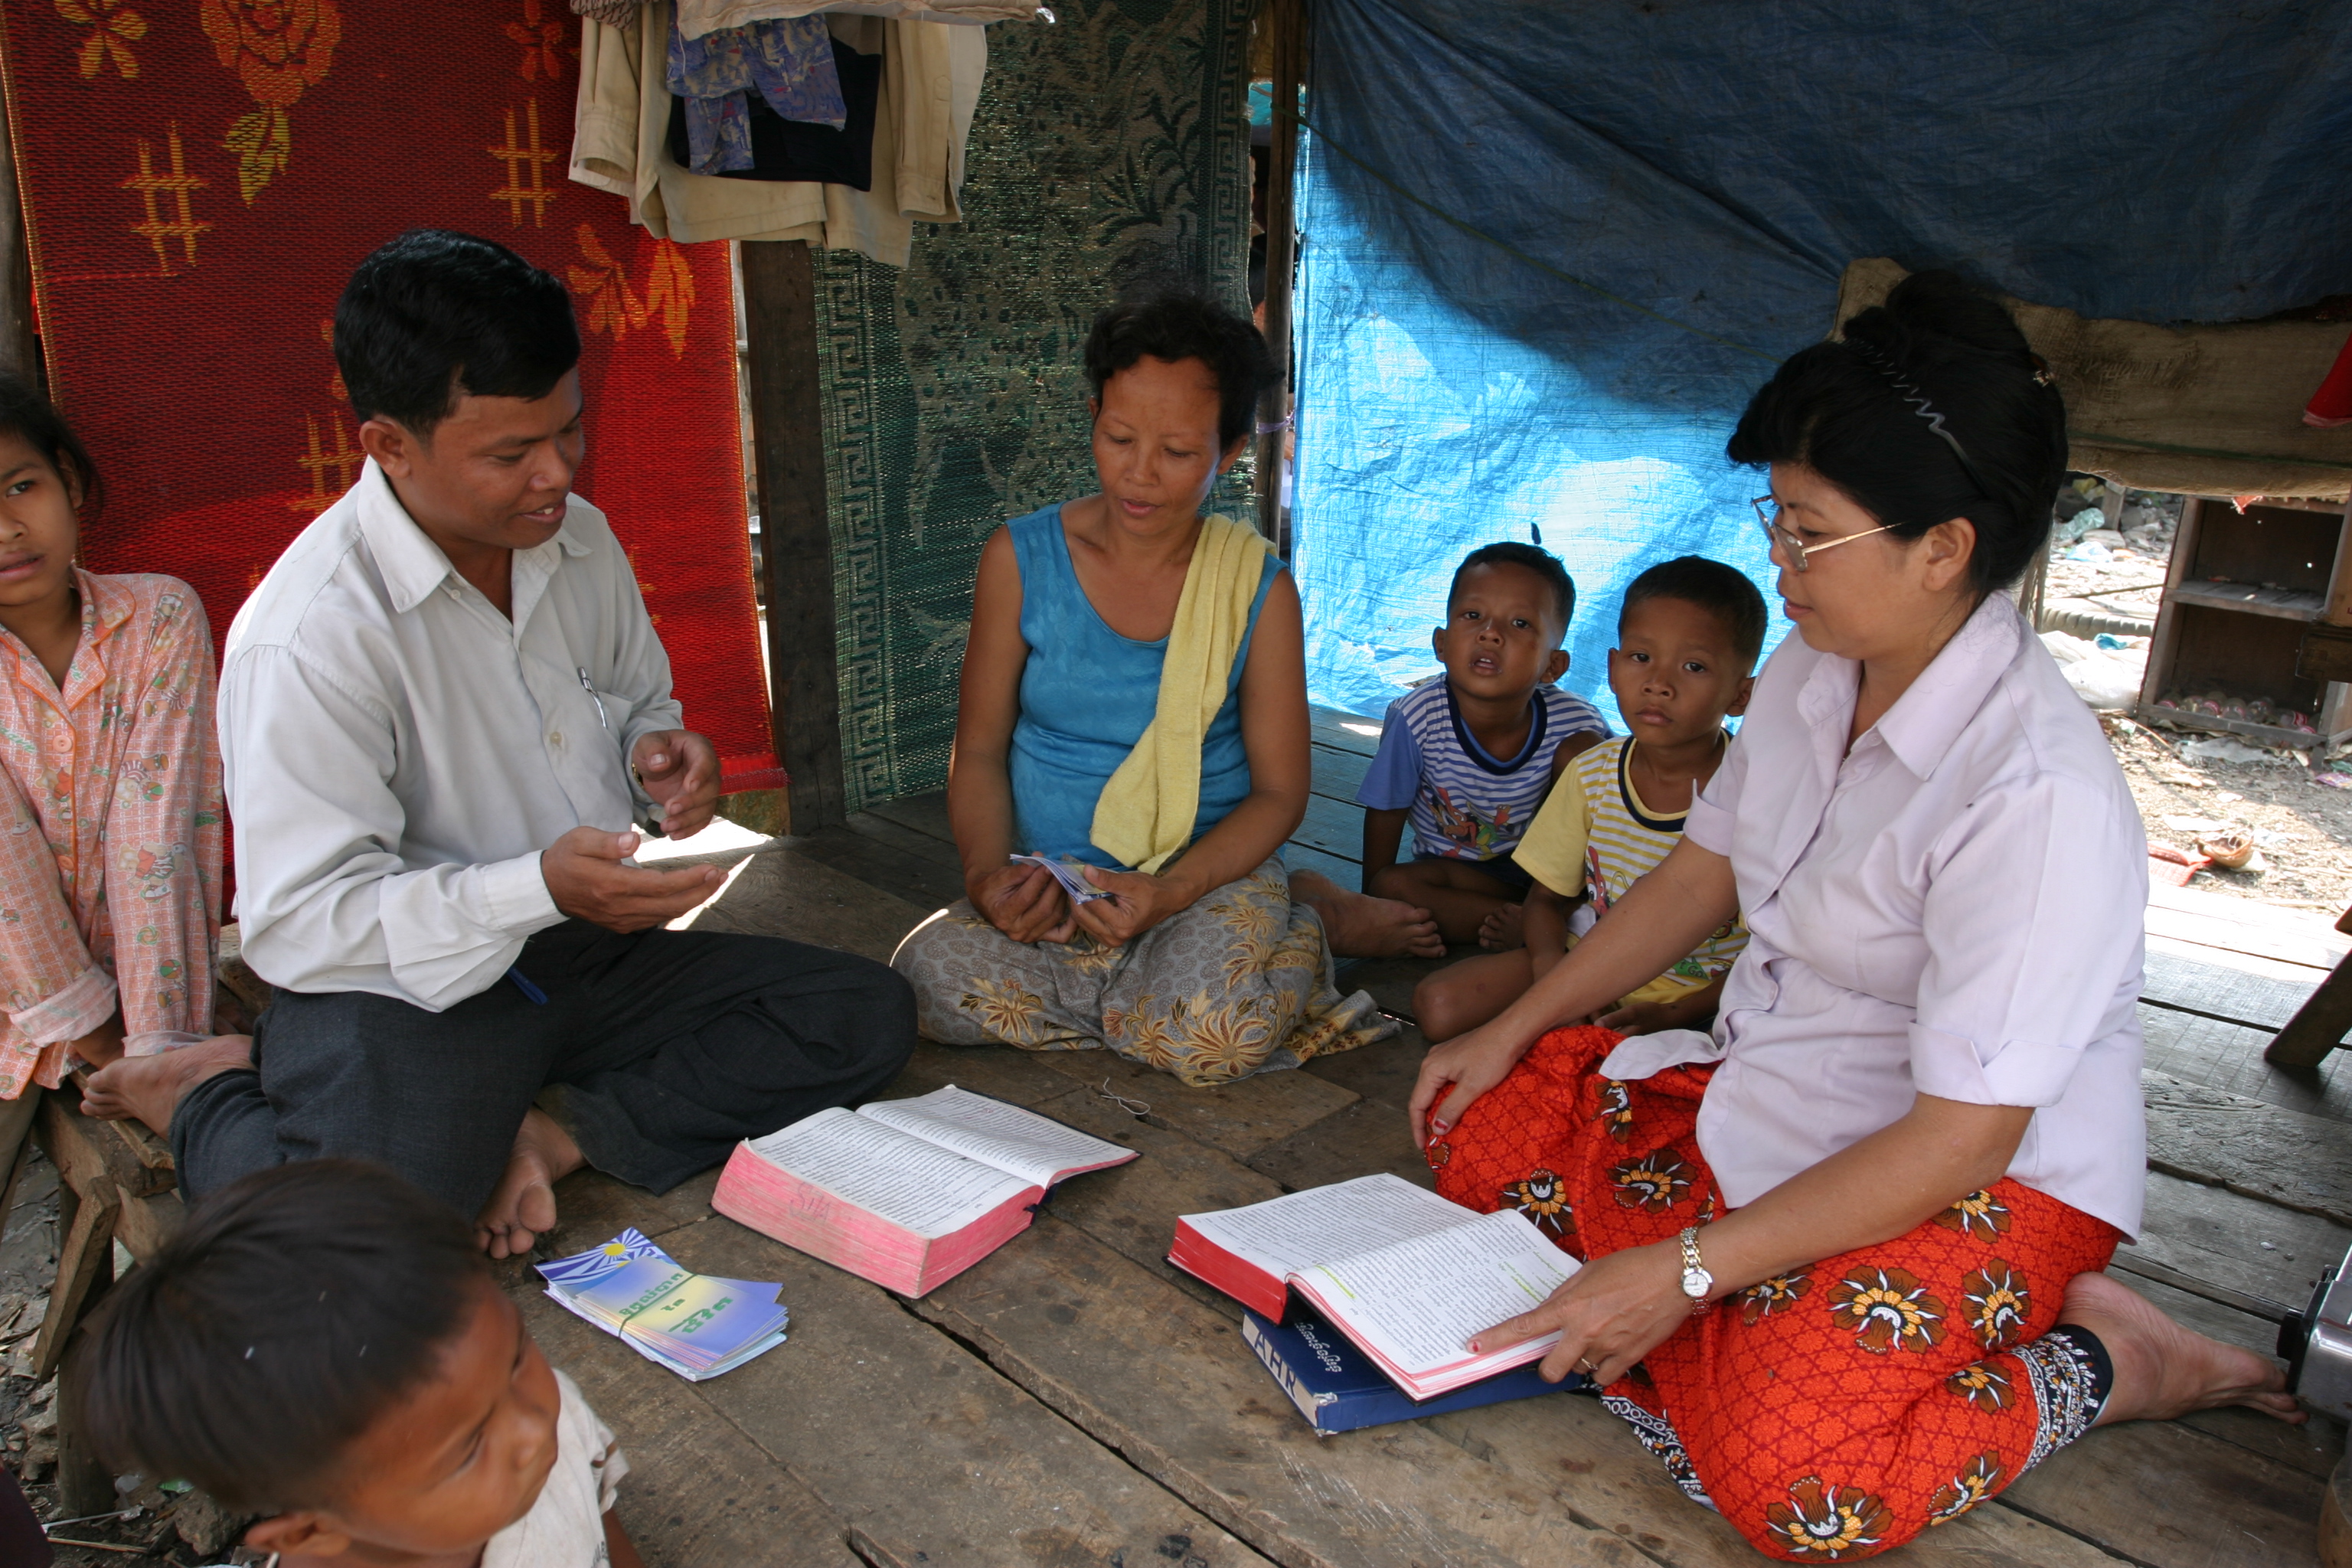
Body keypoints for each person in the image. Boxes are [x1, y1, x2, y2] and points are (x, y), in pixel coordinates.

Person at [1409, 271, 2298, 1563]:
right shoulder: (1808, 673)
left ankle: (2110, 1352)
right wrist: (1519, 1026)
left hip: (1975, 1177)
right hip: (1771, 1094)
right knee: (1466, 1114)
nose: (1777, 559)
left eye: (1808, 532)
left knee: (1793, 1476)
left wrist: (1685, 1270)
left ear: (1940, 547)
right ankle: (1720, 1328)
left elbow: (1956, 1141)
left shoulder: (2030, 793)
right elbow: (1694, 878)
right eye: (1776, 516)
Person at [87, 230, 913, 1257]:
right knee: (365, 1241)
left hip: (574, 958)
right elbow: (300, 928)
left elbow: (634, 697)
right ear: (391, 445)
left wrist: (660, 755)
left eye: (566, 432)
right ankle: (204, 1091)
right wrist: (536, 889)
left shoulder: (580, 542)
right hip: (399, 993)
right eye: (509, 453)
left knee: (861, 1012)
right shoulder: (310, 640)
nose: (554, 474)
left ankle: (554, 1132)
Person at [891, 287, 1423, 1086]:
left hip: (1203, 879)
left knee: (1211, 1034)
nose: (1139, 474)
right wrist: (986, 879)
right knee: (921, 982)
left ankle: (1300, 922)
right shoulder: (1019, 559)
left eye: (1177, 452)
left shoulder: (1256, 588)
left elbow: (1280, 794)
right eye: (1118, 436)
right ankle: (1144, 1000)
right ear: (1093, 414)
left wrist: (1170, 891)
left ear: (1232, 451)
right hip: (1058, 886)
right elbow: (980, 753)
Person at [68, 1160, 644, 1566]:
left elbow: (596, 1512)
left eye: (518, 1359)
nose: (535, 1428)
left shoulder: (545, 1415)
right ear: (315, 1531)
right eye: (468, 1449)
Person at [0, 375, 227, 1171]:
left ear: (67, 477)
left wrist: (161, 1049)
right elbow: (9, 880)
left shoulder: (158, 619)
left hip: (147, 1001)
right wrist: (109, 1049)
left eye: (21, 486)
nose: (6, 528)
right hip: (18, 1011)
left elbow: (156, 835)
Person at [1411, 555, 1763, 1044]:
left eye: (1694, 666)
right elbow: (1544, 901)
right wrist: (1556, 979)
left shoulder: (1760, 795)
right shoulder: (1593, 774)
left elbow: (1768, 954)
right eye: (1642, 658)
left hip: (1703, 993)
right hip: (1590, 961)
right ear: (1614, 667)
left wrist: (1678, 1013)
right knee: (1439, 1006)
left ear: (1741, 696)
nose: (1659, 684)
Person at [1355, 542, 1609, 953]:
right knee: (1393, 887)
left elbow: (1609, 820)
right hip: (1462, 875)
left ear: (1553, 665)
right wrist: (1373, 909)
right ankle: (1541, 928)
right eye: (1473, 616)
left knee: (1584, 754)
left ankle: (1553, 919)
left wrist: (1559, 898)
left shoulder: (1578, 724)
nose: (1491, 633)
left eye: (1521, 623)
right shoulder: (1417, 717)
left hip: (1555, 878)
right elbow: (1387, 811)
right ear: (1441, 643)